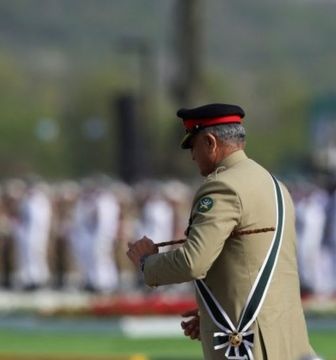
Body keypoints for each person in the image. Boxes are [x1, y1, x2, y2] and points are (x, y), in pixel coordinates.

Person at [126, 103, 315, 360]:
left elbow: (193, 262)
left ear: (210, 142)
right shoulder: (274, 184)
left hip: (248, 344)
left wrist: (146, 263)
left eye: (193, 146)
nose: (192, 156)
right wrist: (211, 312)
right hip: (287, 338)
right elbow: (252, 260)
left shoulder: (222, 187)